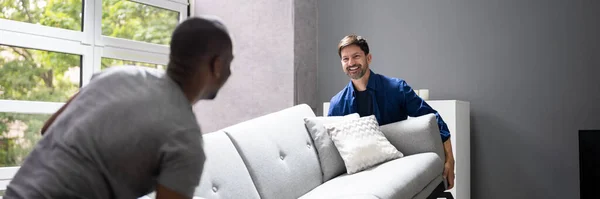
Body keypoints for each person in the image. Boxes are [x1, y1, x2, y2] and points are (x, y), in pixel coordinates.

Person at [4, 16, 234, 199]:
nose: (230, 73)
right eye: (229, 63)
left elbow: (49, 128)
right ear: (216, 65)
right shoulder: (186, 139)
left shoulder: (117, 75)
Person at [327, 34, 455, 190]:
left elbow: (433, 119)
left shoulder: (396, 88)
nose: (351, 63)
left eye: (356, 56)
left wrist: (450, 159)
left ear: (369, 58)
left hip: (398, 167)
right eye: (345, 59)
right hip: (359, 177)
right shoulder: (337, 104)